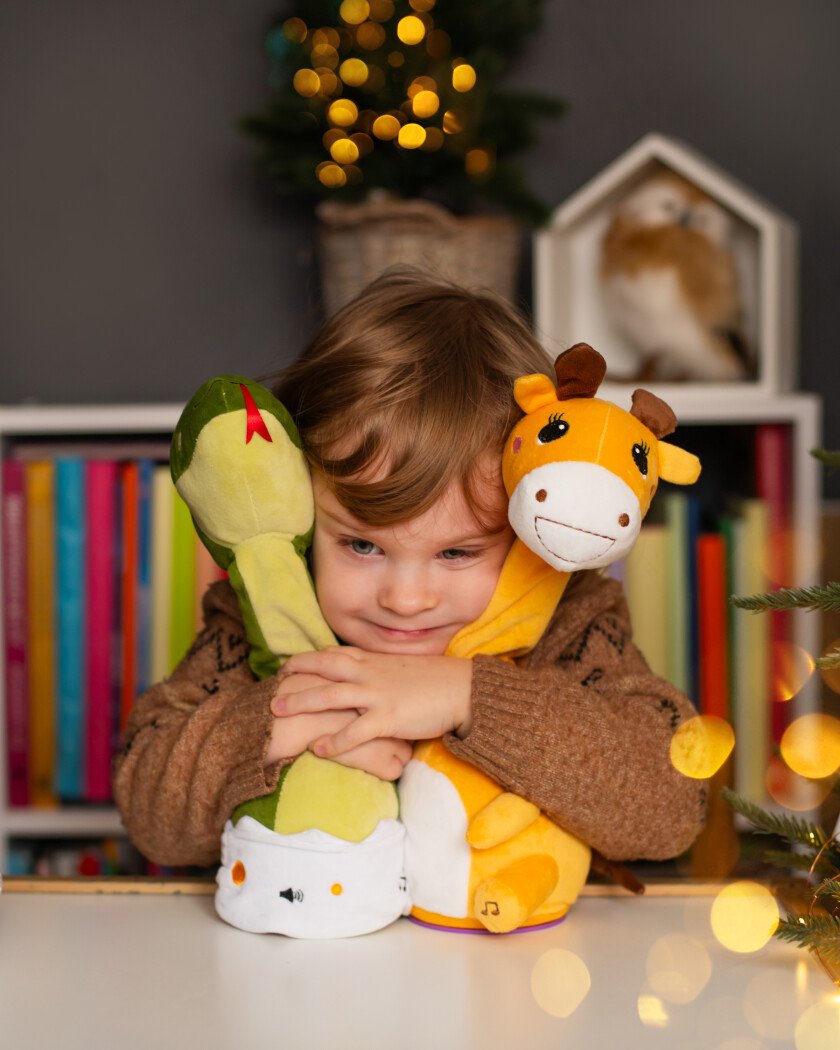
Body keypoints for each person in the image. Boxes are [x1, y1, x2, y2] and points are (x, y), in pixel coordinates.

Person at [113, 270, 707, 869]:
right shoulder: (260, 617)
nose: (405, 598)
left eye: (456, 553)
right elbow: (147, 811)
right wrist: (277, 725)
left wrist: (468, 697)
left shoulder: (572, 621)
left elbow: (677, 804)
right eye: (361, 546)